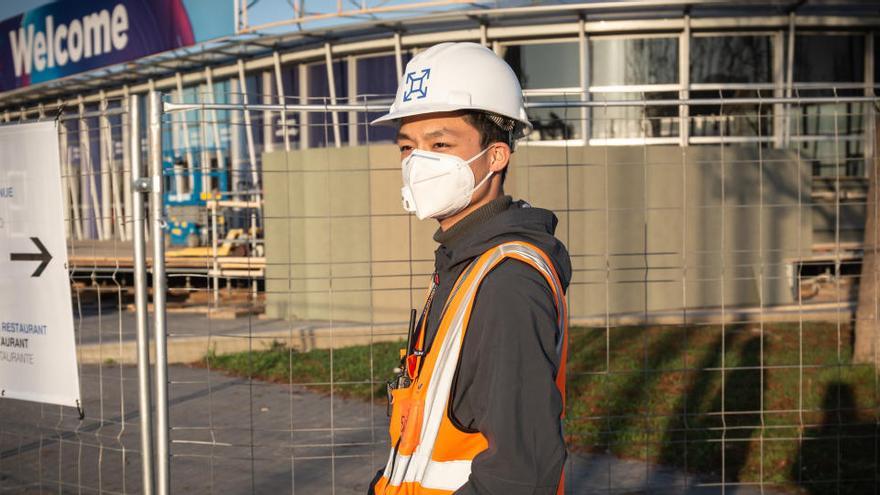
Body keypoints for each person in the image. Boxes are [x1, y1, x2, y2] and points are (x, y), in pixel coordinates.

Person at [368, 42, 571, 495]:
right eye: (407, 146)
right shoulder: (462, 261)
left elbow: (521, 472)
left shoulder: (507, 282)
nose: (418, 162)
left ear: (496, 156)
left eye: (440, 143)